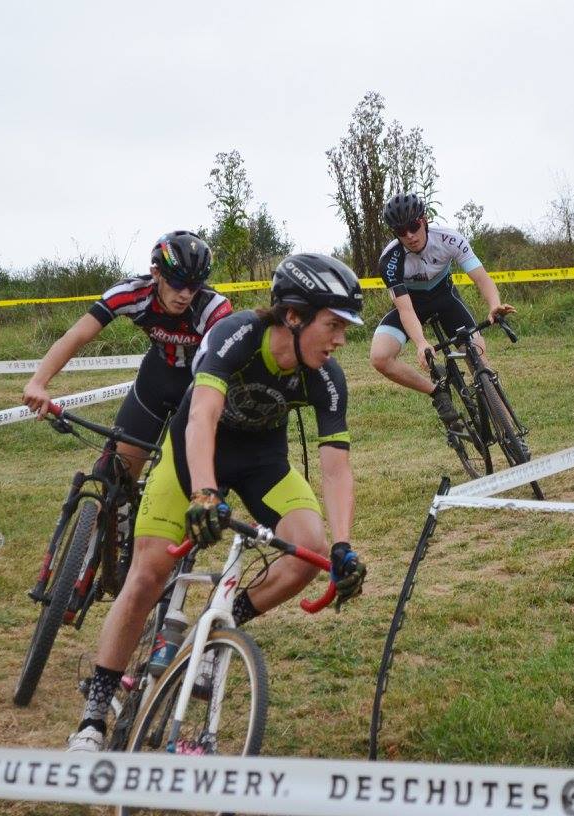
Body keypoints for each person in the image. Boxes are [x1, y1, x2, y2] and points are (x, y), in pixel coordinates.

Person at [67, 253, 369, 752]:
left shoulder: (327, 376)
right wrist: (204, 491)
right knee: (147, 574)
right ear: (293, 316)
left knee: (307, 550)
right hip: (194, 453)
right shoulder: (239, 335)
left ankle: (216, 629)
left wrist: (342, 546)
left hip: (261, 462)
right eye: (333, 324)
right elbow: (202, 415)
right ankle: (95, 713)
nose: (341, 339)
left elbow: (336, 467)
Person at [22, 230, 232, 480]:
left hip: (198, 383)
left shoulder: (213, 307)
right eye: (177, 282)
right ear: (156, 273)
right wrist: (38, 381)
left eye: (194, 285)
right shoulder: (132, 293)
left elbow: (225, 361)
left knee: (188, 479)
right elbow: (77, 335)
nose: (185, 294)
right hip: (157, 376)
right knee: (115, 474)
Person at [369, 192, 515, 426]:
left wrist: (494, 305)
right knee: (379, 357)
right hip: (412, 305)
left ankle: (508, 430)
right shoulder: (390, 259)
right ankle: (437, 393)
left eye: (413, 226)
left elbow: (481, 277)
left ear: (424, 219)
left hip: (445, 299)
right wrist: (421, 343)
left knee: (477, 352)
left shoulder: (449, 239)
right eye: (401, 232)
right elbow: (406, 310)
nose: (409, 236)